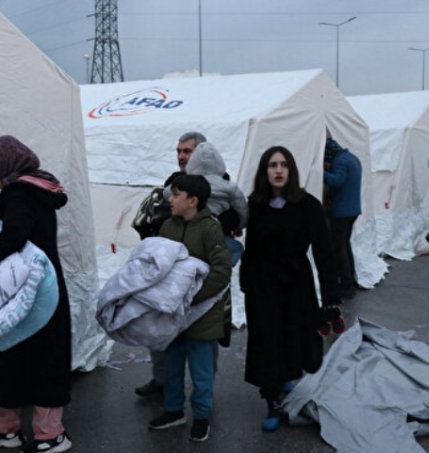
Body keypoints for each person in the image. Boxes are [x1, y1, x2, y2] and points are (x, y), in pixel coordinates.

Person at [0, 136, 73, 453]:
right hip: (42, 286)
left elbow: (14, 236)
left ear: (4, 165)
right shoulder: (39, 188)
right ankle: (15, 428)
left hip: (27, 287)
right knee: (27, 355)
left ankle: (47, 433)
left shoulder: (19, 193)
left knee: (13, 353)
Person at [240, 146, 343, 432]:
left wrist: (331, 299)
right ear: (265, 170)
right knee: (267, 340)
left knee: (292, 336)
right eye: (272, 164)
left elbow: (324, 253)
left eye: (284, 164)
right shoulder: (255, 205)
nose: (278, 170)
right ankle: (272, 399)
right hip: (263, 287)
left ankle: (285, 373)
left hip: (296, 286)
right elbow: (251, 248)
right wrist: (245, 281)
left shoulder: (308, 205)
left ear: (292, 170)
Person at [133, 131, 240, 398]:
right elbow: (159, 215)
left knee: (206, 331)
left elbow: (236, 221)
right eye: (179, 151)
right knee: (162, 326)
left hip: (207, 276)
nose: (181, 156)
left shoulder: (222, 184)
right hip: (173, 272)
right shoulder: (174, 183)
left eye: (187, 151)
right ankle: (162, 382)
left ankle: (204, 390)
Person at [147, 175, 232, 442]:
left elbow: (221, 271)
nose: (169, 199)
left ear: (192, 201)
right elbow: (157, 264)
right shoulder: (167, 227)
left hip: (202, 317)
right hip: (173, 317)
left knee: (201, 371)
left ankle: (202, 416)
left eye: (175, 194)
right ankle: (173, 410)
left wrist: (192, 298)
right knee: (171, 365)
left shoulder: (210, 229)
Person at [185, 142, 249, 266]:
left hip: (192, 231)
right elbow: (242, 208)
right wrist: (240, 225)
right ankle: (223, 267)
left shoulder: (187, 183)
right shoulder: (228, 185)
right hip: (219, 230)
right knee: (236, 248)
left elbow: (168, 193)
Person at [323, 137, 362, 299]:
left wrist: (320, 171)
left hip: (342, 211)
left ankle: (346, 286)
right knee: (345, 245)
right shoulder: (352, 158)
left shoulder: (340, 161)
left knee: (338, 248)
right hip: (352, 210)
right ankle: (350, 281)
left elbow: (338, 180)